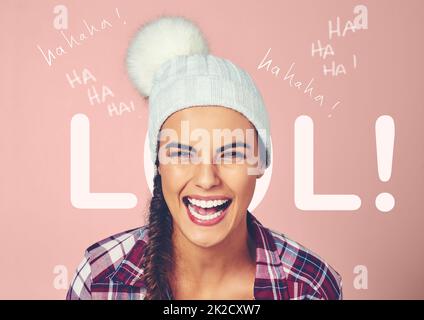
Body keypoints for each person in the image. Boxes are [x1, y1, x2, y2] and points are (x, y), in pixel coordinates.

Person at [66, 15, 343, 300]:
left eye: (233, 153)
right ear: (159, 163)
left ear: (260, 162)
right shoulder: (99, 279)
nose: (207, 179)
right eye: (183, 153)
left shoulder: (309, 286)